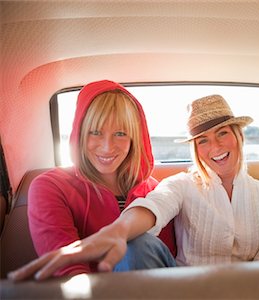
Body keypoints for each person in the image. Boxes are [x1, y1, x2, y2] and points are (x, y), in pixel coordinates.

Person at [9, 94, 259, 281]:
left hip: (253, 290)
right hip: (181, 291)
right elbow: (155, 206)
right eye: (202, 140)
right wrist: (118, 231)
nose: (214, 147)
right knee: (137, 242)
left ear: (239, 136)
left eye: (223, 134)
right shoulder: (180, 184)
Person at [25, 80, 176, 277]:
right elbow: (67, 270)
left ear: (134, 138)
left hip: (156, 290)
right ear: (80, 133)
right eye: (95, 132)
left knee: (138, 244)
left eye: (120, 133)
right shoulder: (50, 187)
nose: (107, 147)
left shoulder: (155, 192)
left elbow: (166, 259)